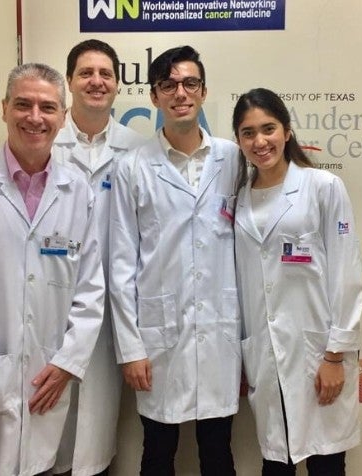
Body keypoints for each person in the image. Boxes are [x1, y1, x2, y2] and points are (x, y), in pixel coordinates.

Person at [0, 63, 105, 476]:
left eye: (47, 107)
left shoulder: (77, 191)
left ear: (62, 116)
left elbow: (91, 290)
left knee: (42, 467)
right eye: (23, 105)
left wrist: (67, 363)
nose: (35, 118)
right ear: (4, 109)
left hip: (47, 376)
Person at [109, 45, 241, 475]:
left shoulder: (234, 158)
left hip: (220, 331)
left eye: (189, 83)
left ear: (204, 91)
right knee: (158, 449)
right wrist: (130, 348)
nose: (179, 92)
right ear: (154, 96)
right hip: (158, 336)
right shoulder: (133, 167)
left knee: (219, 450)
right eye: (168, 84)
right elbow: (121, 261)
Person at [231, 88, 362, 475]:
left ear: (287, 131)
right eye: (248, 133)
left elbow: (346, 275)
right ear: (239, 141)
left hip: (317, 354)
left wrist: (335, 355)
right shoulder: (239, 198)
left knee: (326, 464)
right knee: (275, 464)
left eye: (268, 128)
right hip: (266, 356)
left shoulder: (322, 187)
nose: (260, 141)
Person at [51, 39, 146, 476]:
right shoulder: (41, 137)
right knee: (46, 433)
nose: (96, 81)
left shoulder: (137, 149)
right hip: (49, 303)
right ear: (70, 81)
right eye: (86, 73)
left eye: (105, 73)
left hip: (110, 313)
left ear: (118, 84)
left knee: (94, 437)